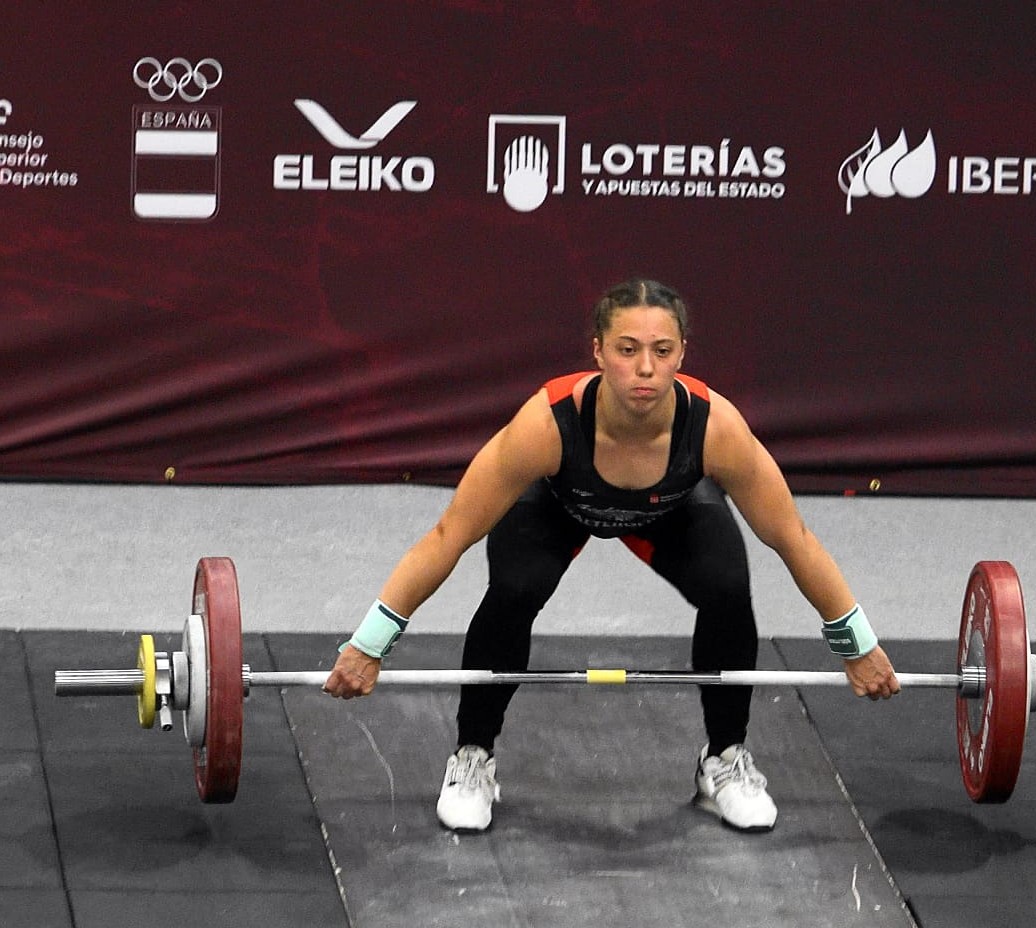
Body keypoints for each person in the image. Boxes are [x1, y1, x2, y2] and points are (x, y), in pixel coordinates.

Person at [324, 278, 900, 833]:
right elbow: (448, 535)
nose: (645, 368)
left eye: (661, 350)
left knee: (728, 588)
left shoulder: (715, 428)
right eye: (627, 349)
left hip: (670, 509)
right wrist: (368, 645)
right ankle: (473, 755)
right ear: (598, 351)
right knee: (514, 590)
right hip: (556, 504)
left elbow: (794, 538)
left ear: (682, 355)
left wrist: (859, 647)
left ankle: (723, 758)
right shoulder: (546, 424)